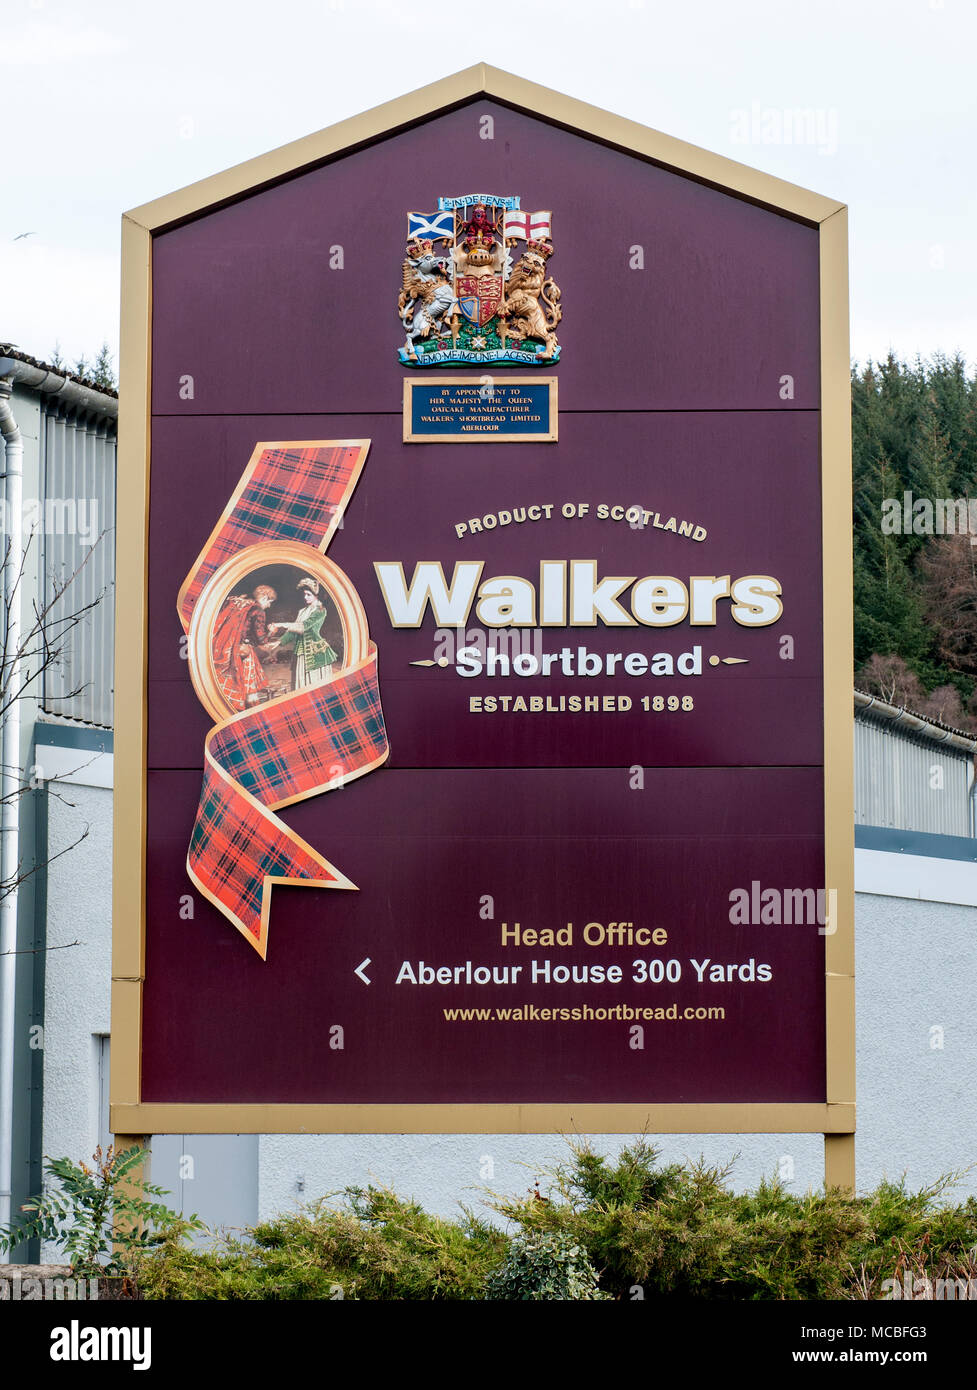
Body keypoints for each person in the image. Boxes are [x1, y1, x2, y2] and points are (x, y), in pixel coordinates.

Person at [211, 584, 277, 711]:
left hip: (231, 649)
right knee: (249, 686)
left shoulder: (242, 604)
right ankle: (253, 712)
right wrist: (272, 632)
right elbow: (261, 639)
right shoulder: (258, 611)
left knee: (239, 683)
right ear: (264, 598)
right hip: (243, 651)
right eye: (270, 602)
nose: (269, 606)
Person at [269, 576, 339, 690]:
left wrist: (281, 624)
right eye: (305, 594)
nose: (305, 597)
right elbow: (293, 631)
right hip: (301, 652)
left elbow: (303, 627)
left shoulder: (320, 610)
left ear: (316, 596)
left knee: (315, 683)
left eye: (308, 594)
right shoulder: (302, 611)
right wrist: (278, 642)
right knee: (300, 682)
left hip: (315, 652)